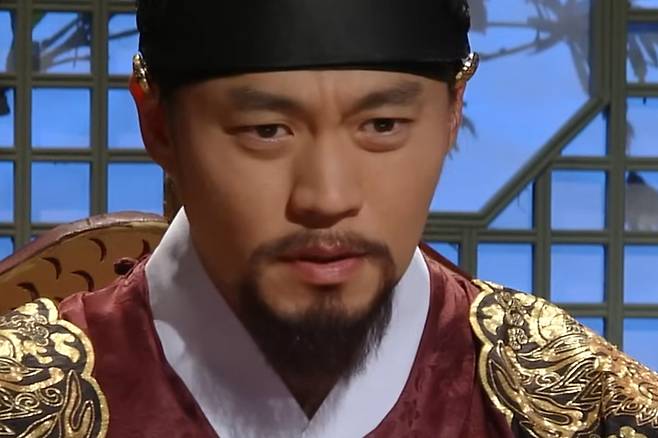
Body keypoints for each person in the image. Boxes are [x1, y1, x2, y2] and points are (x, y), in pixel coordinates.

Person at [1, 1, 657, 437]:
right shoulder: (21, 405)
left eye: (382, 125)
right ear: (158, 125)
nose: (326, 196)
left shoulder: (586, 410)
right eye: (266, 129)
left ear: (453, 111)